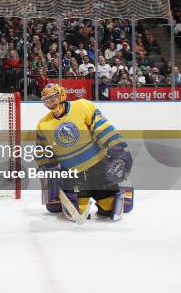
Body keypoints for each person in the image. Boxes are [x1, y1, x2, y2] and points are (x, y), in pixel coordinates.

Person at [35, 83, 133, 222]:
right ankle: (73, 197)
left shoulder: (82, 106)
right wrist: (48, 169)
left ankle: (117, 194)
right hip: (73, 173)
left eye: (53, 98)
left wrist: (119, 149)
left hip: (99, 167)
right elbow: (44, 151)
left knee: (109, 207)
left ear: (62, 95)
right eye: (47, 100)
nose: (51, 103)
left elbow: (103, 129)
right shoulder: (43, 124)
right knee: (79, 211)